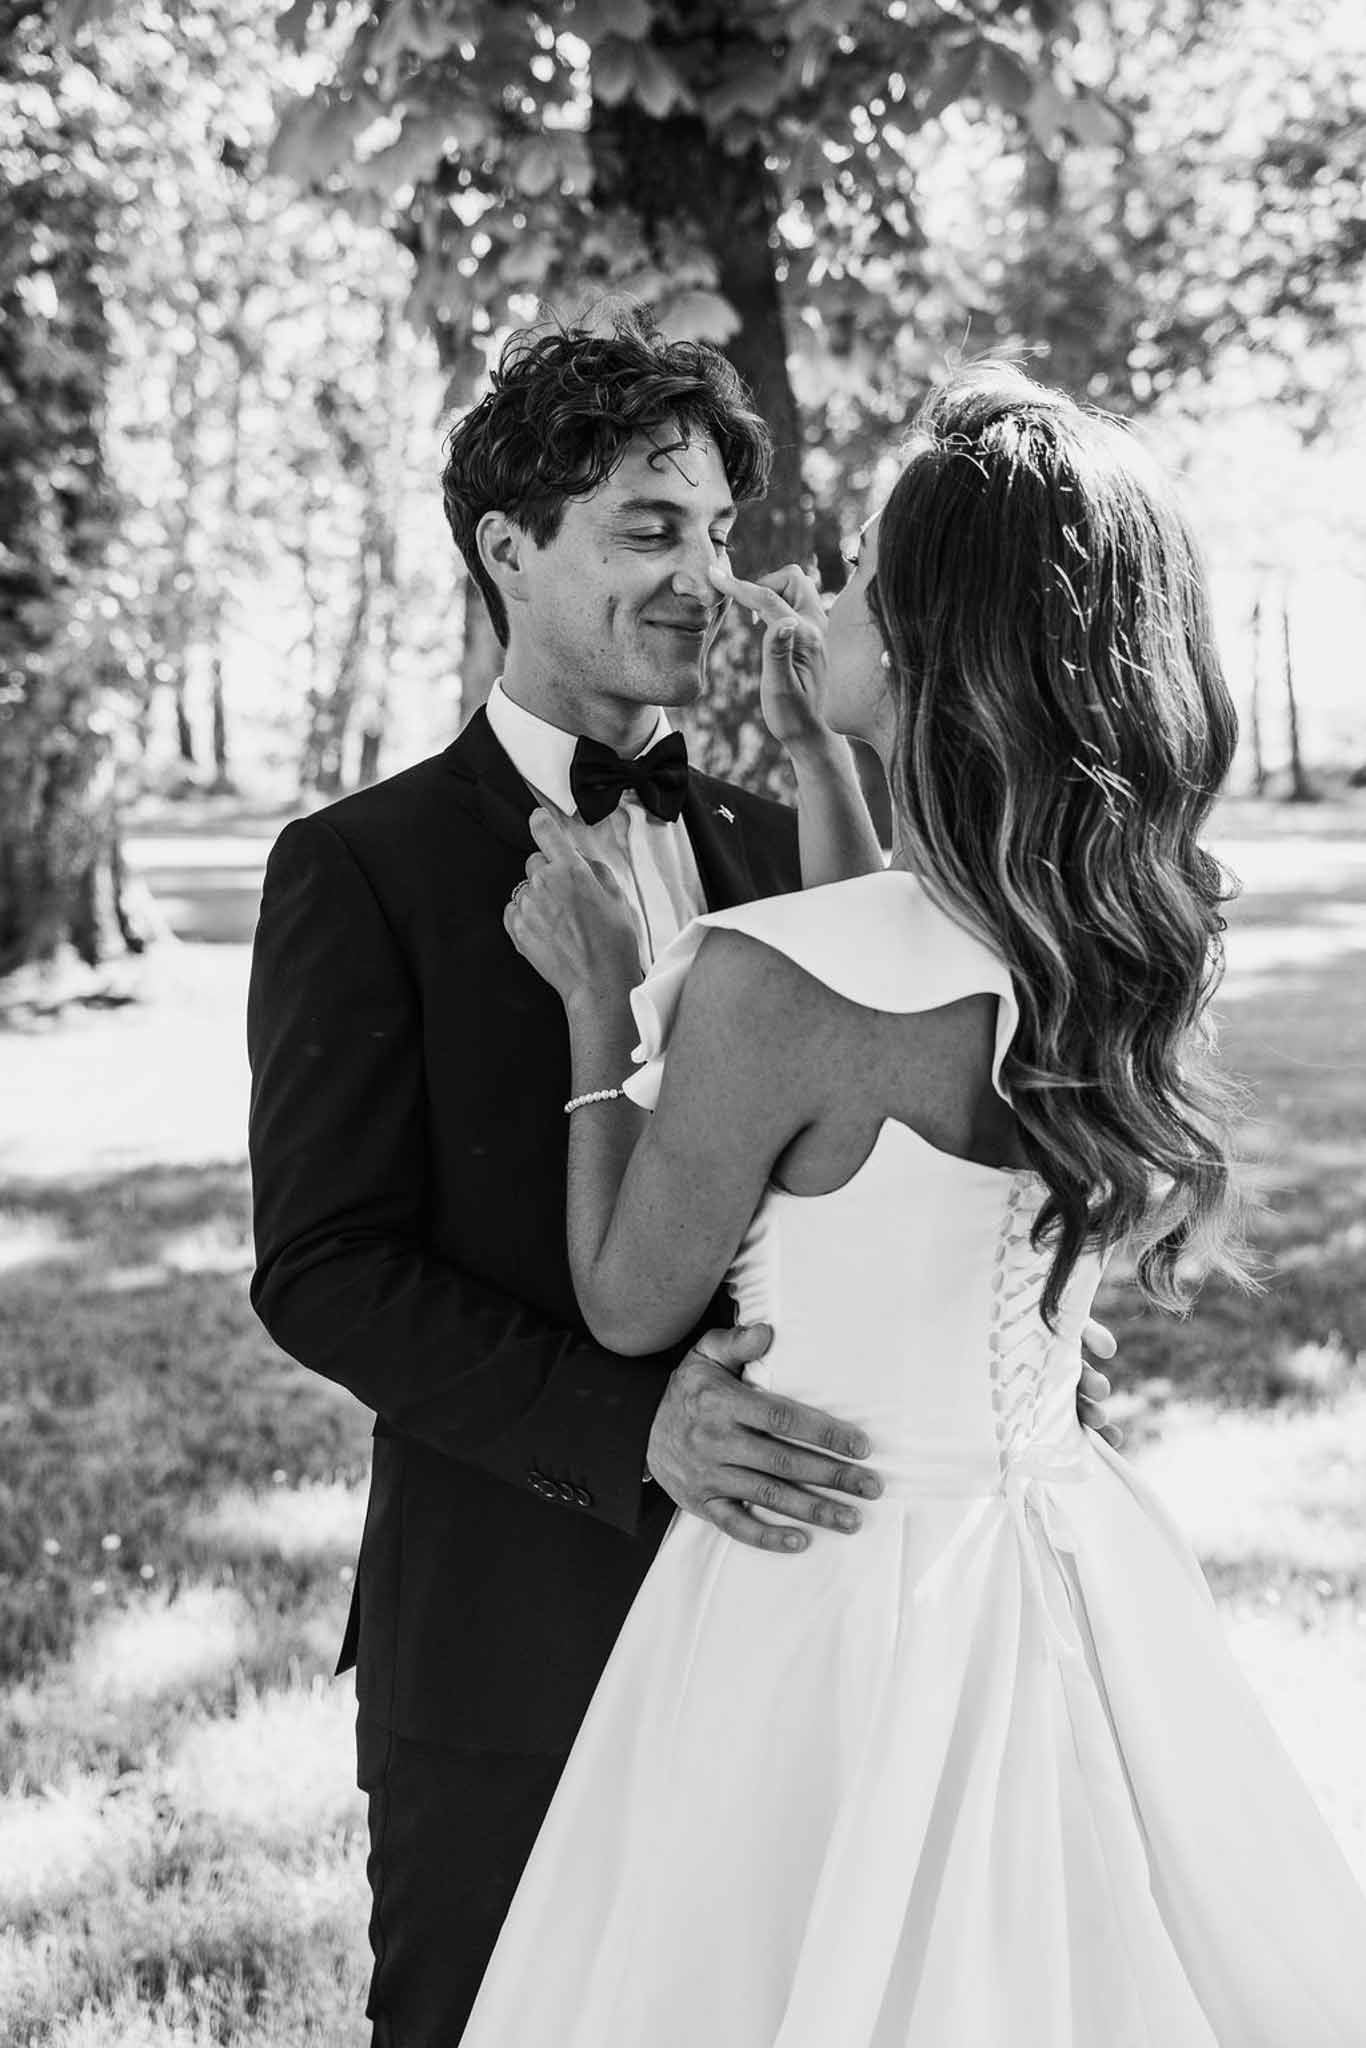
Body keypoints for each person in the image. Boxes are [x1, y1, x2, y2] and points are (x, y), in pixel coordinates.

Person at [464, 364, 1366, 2045]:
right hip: (1062, 1563)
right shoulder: (1108, 949)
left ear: (935, 647)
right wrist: (825, 756)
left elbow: (629, 1304)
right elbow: (890, 969)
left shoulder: (758, 981)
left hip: (828, 1590)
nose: (807, 590)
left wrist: (601, 1008)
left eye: (868, 573)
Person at [246, 316, 1115, 2045]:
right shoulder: (358, 867)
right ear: (508, 548)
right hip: (514, 1619)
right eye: (649, 528)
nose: (703, 578)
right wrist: (625, 1422)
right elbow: (323, 1267)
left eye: (716, 533)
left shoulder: (767, 841)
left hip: (816, 1614)